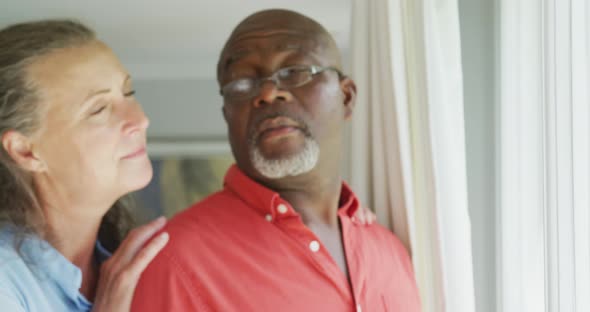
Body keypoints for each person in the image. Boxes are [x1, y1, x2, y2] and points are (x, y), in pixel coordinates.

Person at [132, 9, 421, 312]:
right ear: (227, 114)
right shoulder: (176, 260)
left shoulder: (391, 252)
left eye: (295, 71)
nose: (268, 93)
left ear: (346, 98)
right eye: (242, 83)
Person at [0, 20, 169, 311]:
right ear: (25, 151)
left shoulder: (123, 266)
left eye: (128, 93)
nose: (140, 121)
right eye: (99, 109)